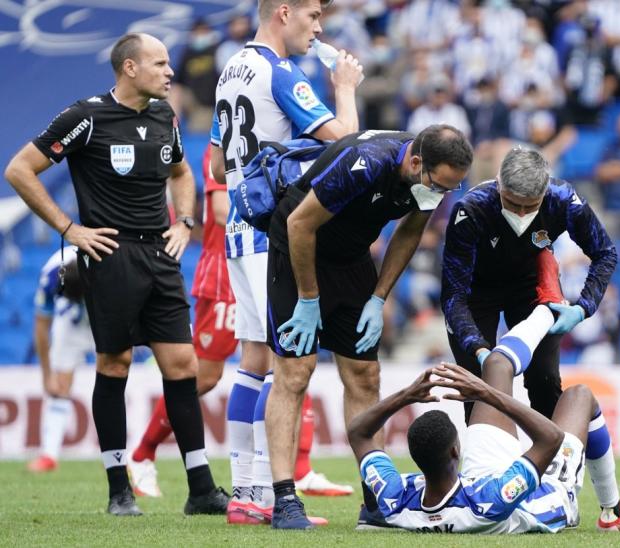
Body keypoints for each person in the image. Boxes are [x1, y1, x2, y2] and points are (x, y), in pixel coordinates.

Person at [5, 32, 228, 517]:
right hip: (110, 256)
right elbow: (20, 169)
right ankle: (118, 489)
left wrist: (185, 222)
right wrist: (69, 228)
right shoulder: (85, 116)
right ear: (130, 68)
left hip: (160, 256)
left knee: (183, 366)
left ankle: (201, 488)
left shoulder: (162, 116)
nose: (172, 72)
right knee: (116, 365)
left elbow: (182, 173)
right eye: (161, 63)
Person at [265, 125, 474, 529]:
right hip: (299, 251)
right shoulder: (365, 165)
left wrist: (379, 297)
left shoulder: (431, 175)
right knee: (295, 372)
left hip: (352, 259)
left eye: (451, 188)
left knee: (365, 375)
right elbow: (298, 225)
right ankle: (285, 499)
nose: (442, 194)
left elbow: (410, 229)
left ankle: (376, 498)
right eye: (439, 184)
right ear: (415, 163)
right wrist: (309, 299)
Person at [212, 0, 362, 525]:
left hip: (236, 228)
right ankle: (262, 494)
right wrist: (344, 87)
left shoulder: (230, 69)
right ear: (283, 12)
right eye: (313, 15)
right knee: (283, 367)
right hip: (270, 232)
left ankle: (244, 493)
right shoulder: (279, 72)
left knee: (253, 361)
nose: (319, 27)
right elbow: (346, 143)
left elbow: (215, 161)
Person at [348, 259, 620, 533]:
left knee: (496, 365)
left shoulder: (396, 500)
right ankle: (612, 512)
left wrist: (405, 395)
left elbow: (358, 434)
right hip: (544, 495)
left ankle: (547, 306)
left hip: (476, 478)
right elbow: (551, 438)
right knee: (579, 396)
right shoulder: (490, 502)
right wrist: (485, 393)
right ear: (455, 451)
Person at [441, 147, 617, 425]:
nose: (521, 213)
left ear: (545, 192)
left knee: (544, 381)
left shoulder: (564, 200)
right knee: (477, 388)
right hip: (476, 292)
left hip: (531, 288)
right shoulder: (471, 210)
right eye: (512, 203)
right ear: (499, 184)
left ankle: (553, 464)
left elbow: (605, 253)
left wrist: (583, 307)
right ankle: (485, 467)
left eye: (530, 206)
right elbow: (453, 295)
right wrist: (479, 348)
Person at [128, 144, 239, 497]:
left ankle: (296, 470)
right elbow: (220, 213)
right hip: (225, 278)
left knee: (282, 366)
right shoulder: (221, 149)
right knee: (204, 376)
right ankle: (142, 453)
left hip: (259, 273)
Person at [28, 249, 94, 473]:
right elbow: (41, 327)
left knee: (117, 369)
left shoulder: (105, 263)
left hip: (104, 306)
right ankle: (49, 455)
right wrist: (47, 376)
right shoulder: (50, 277)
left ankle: (127, 453)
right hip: (71, 319)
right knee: (60, 385)